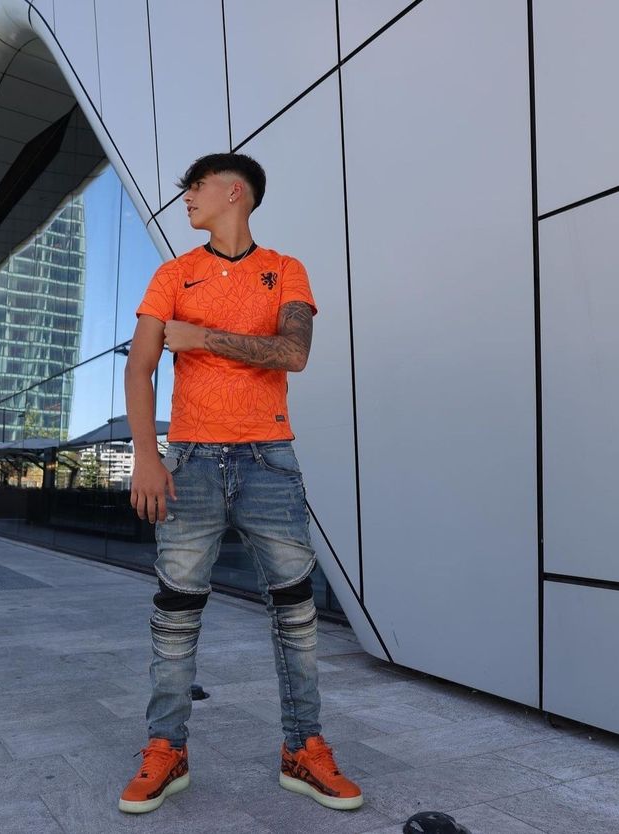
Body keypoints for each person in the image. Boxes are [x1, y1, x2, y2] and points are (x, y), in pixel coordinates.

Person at [120, 152, 363, 815]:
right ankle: (165, 748)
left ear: (234, 192)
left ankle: (302, 749)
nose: (185, 201)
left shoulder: (285, 270)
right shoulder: (173, 273)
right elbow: (140, 367)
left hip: (269, 460)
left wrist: (202, 336)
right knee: (175, 614)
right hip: (192, 460)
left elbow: (294, 353)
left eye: (193, 188)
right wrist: (147, 454)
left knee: (296, 614)